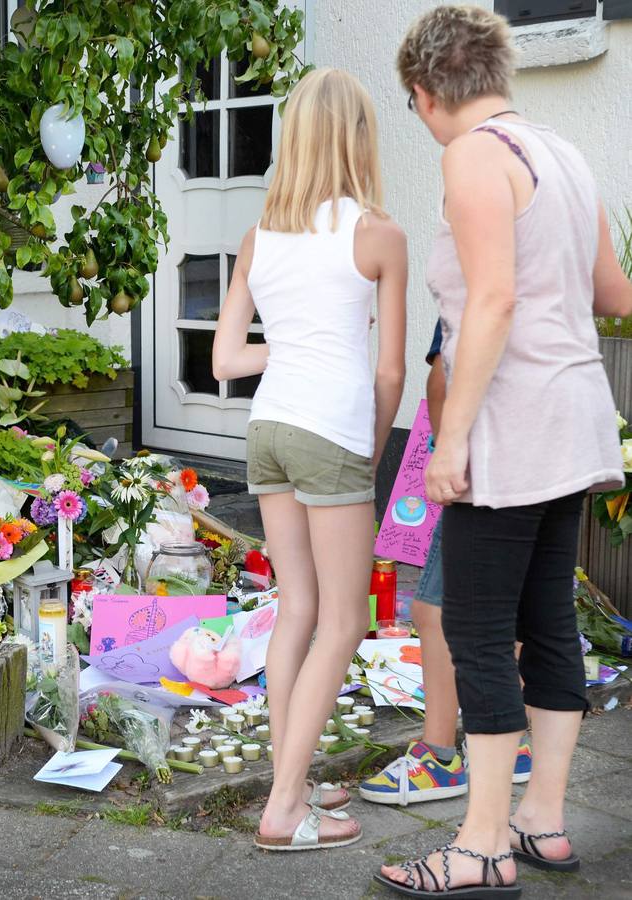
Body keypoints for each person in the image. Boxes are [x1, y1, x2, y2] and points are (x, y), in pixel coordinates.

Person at [378, 7, 632, 897]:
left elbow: (487, 304)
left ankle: (478, 845)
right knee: (547, 622)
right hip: (574, 416)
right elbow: (613, 293)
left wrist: (447, 445)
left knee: (479, 629)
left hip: (510, 426)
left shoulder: (473, 154)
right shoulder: (558, 151)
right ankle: (543, 822)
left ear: (424, 90)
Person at [212, 67, 407, 851]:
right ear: (359, 138)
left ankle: (285, 779)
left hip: (268, 430)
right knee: (342, 622)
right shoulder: (378, 233)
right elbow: (388, 372)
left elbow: (225, 359)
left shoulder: (260, 237)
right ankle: (285, 805)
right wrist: (371, 441)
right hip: (330, 431)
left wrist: (287, 347)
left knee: (296, 611)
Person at [359, 321, 532, 807]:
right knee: (514, 603)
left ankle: (440, 756)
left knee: (434, 607)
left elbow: (443, 374)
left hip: (482, 457)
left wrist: (443, 450)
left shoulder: (476, 272)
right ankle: (512, 746)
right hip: (540, 457)